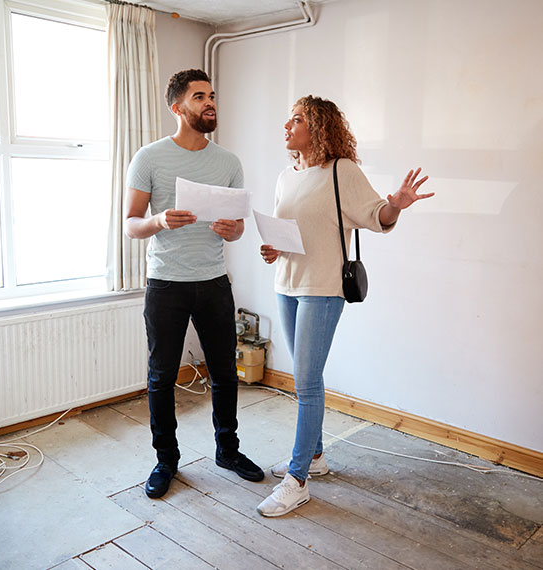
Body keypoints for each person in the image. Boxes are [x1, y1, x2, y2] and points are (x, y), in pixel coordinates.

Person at [257, 95, 433, 517]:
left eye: (296, 120)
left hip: (323, 287)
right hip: (286, 283)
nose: (287, 126)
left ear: (318, 128)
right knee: (304, 379)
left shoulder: (342, 171)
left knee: (306, 381)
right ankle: (315, 457)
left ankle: (297, 479)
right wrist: (272, 249)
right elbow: (293, 232)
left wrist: (396, 204)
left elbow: (377, 215)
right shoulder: (285, 176)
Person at [125, 69, 264, 499]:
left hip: (214, 282)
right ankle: (166, 460)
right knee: (161, 377)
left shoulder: (228, 162)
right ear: (177, 108)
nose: (210, 103)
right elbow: (131, 225)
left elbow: (239, 227)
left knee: (225, 373)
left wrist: (231, 230)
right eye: (200, 96)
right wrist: (159, 220)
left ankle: (228, 450)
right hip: (166, 284)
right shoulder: (148, 157)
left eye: (212, 96)